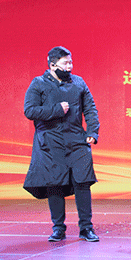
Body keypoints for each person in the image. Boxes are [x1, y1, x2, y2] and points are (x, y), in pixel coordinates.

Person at [23, 46, 100, 242]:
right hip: (50, 142)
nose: (69, 67)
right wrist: (55, 109)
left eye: (71, 62)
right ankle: (58, 228)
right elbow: (29, 110)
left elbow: (90, 108)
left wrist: (92, 131)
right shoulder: (38, 83)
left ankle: (86, 228)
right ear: (52, 65)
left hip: (77, 140)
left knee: (83, 182)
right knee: (54, 184)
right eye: (65, 63)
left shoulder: (78, 82)